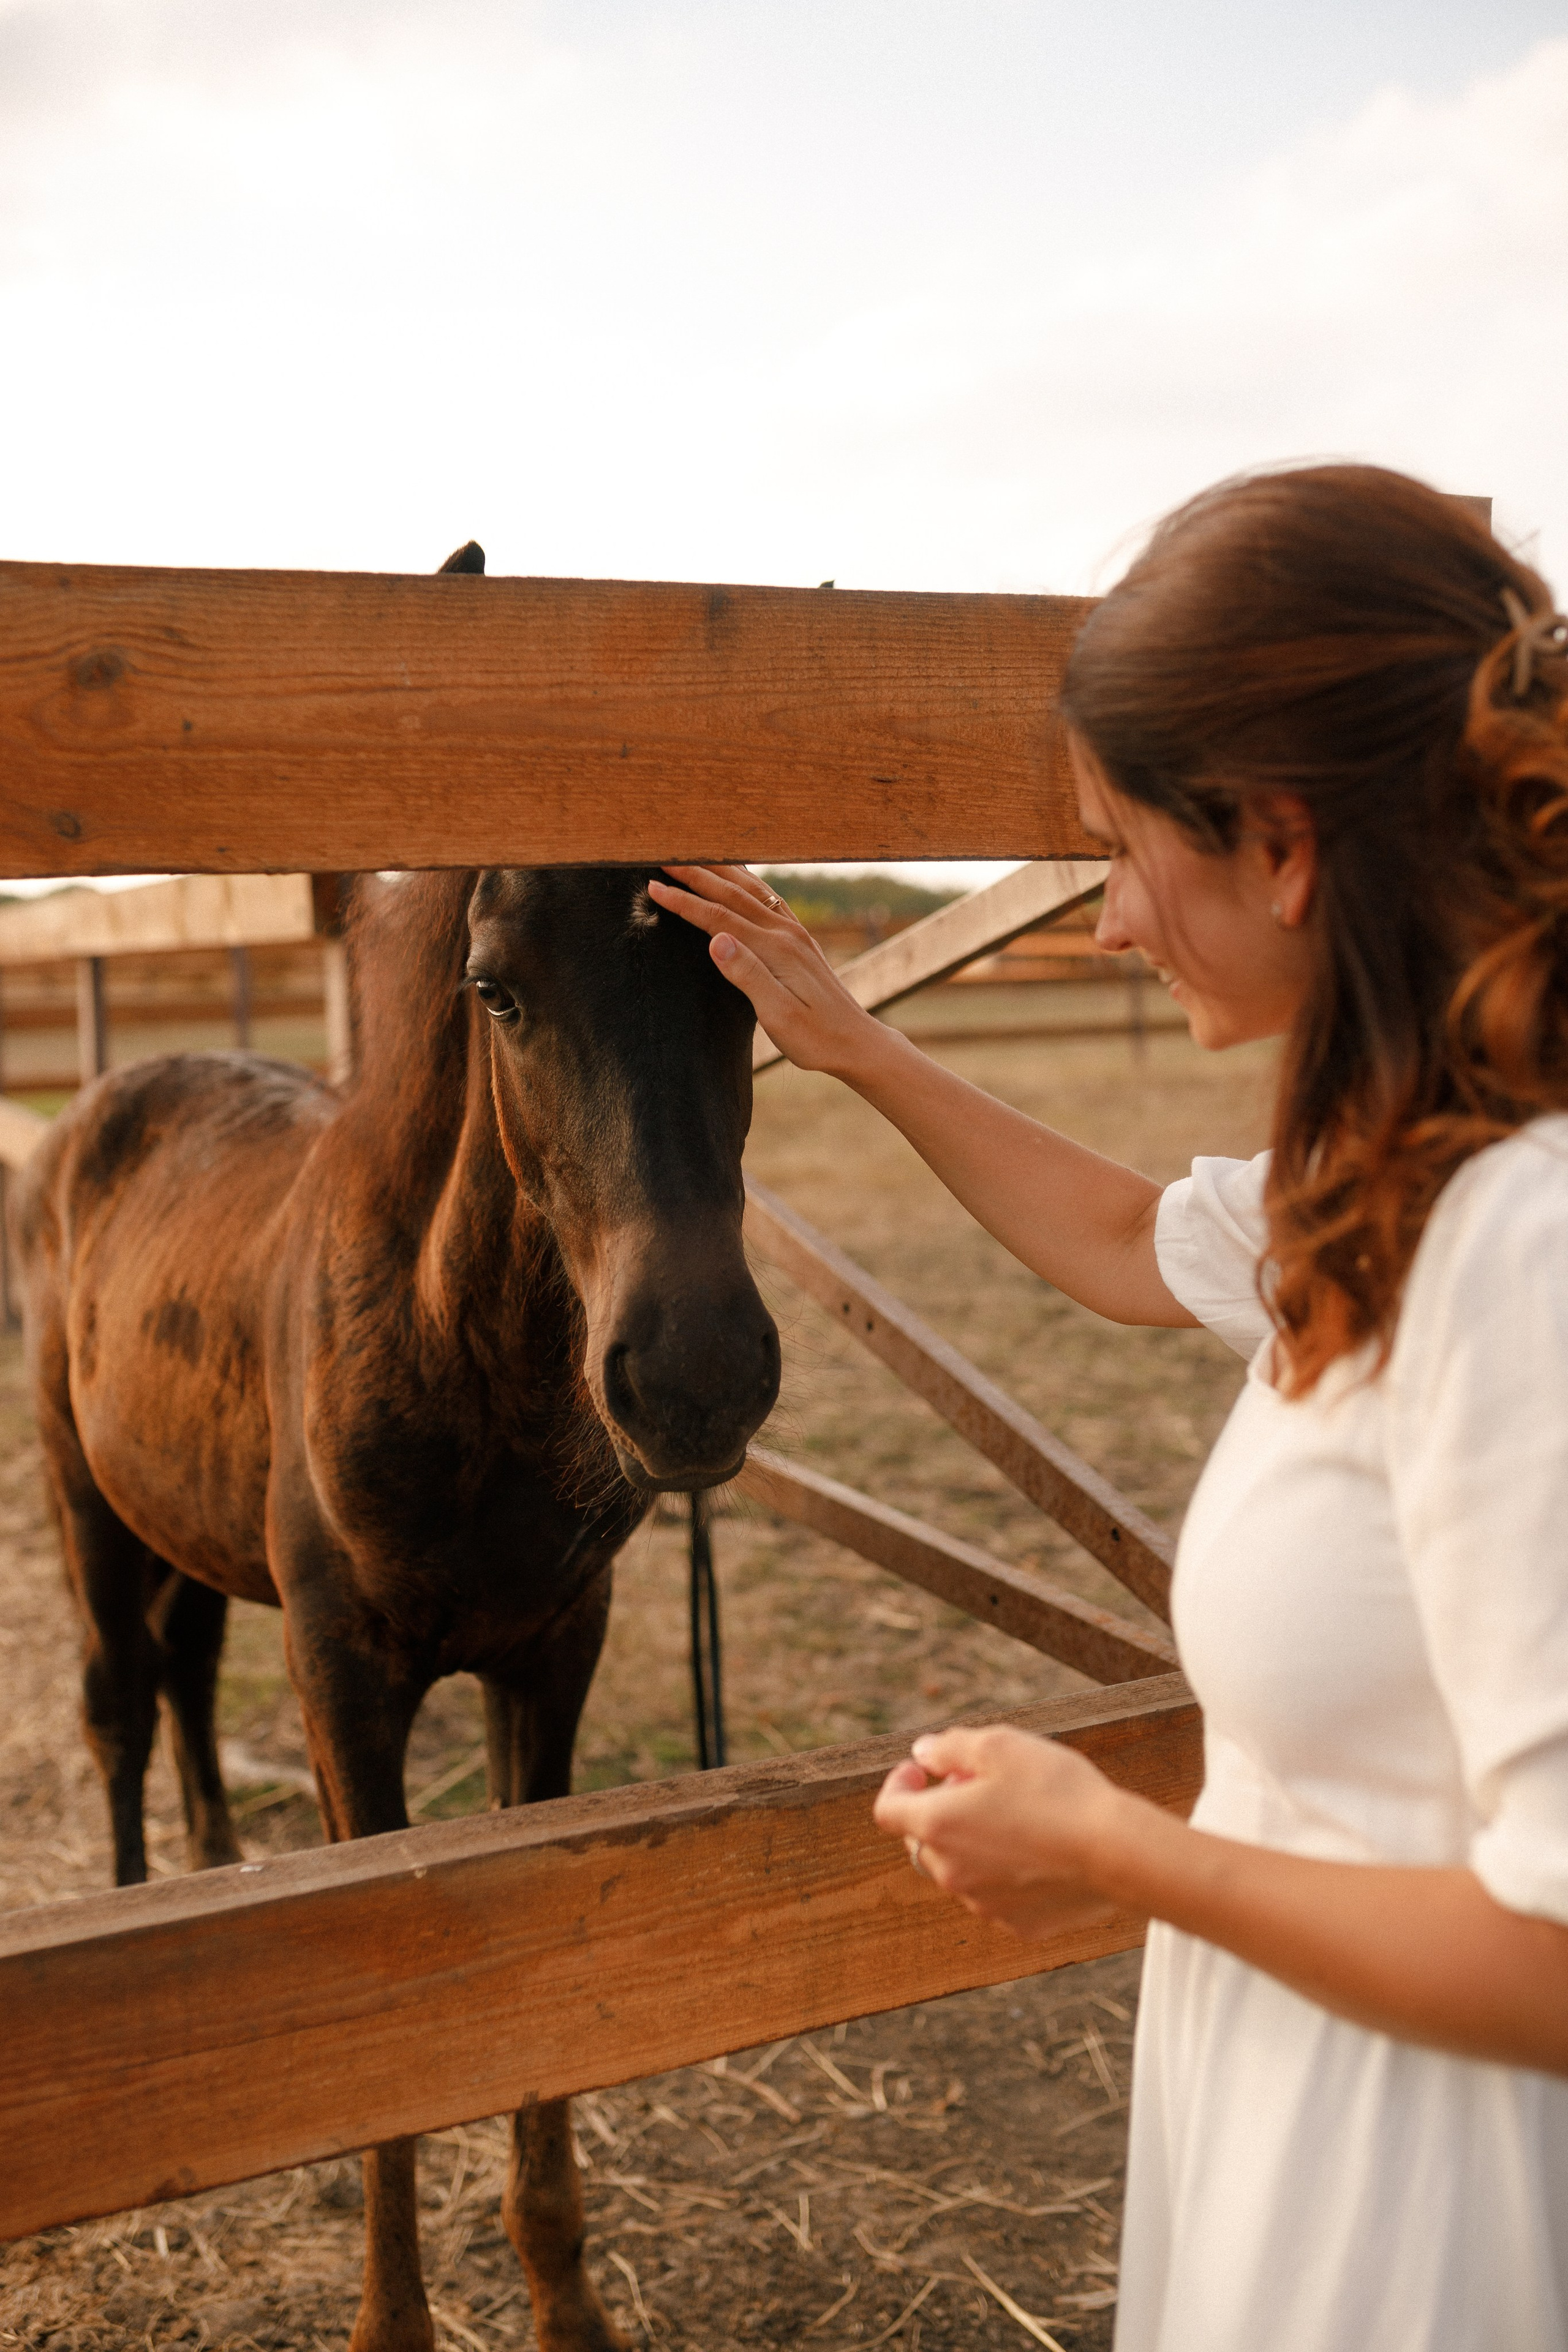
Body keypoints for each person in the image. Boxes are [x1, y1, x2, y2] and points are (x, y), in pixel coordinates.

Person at [647, 463, 1568, 2351]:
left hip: (1446, 2218)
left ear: (1283, 844)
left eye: (1118, 849)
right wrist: (846, 1036)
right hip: (1313, 2118)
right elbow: (1130, 1238)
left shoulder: (1522, 1250)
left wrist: (1110, 1849)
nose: (1106, 926)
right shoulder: (1383, 1181)